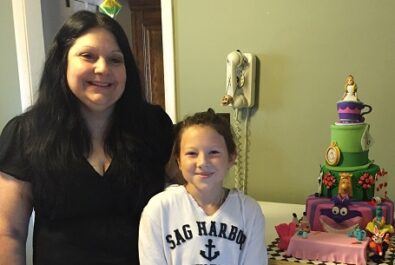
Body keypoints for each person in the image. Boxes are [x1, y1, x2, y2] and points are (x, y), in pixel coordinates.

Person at [0, 10, 174, 265]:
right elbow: (9, 233)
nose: (103, 68)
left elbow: (186, 203)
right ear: (62, 62)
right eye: (88, 56)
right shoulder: (24, 134)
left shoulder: (155, 126)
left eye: (116, 59)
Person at [139, 108, 268, 265]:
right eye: (192, 153)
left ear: (231, 158)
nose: (202, 163)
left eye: (213, 152)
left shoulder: (248, 212)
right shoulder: (159, 210)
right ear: (178, 160)